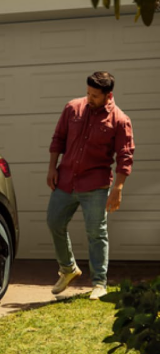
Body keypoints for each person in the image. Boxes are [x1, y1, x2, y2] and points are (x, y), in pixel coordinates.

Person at [46, 71, 134, 300]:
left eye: (95, 95)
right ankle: (68, 269)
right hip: (65, 180)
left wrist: (118, 189)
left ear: (108, 95)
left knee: (96, 233)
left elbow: (125, 157)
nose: (89, 98)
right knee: (54, 222)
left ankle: (99, 283)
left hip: (95, 185)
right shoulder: (72, 108)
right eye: (87, 93)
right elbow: (58, 139)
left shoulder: (120, 120)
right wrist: (52, 168)